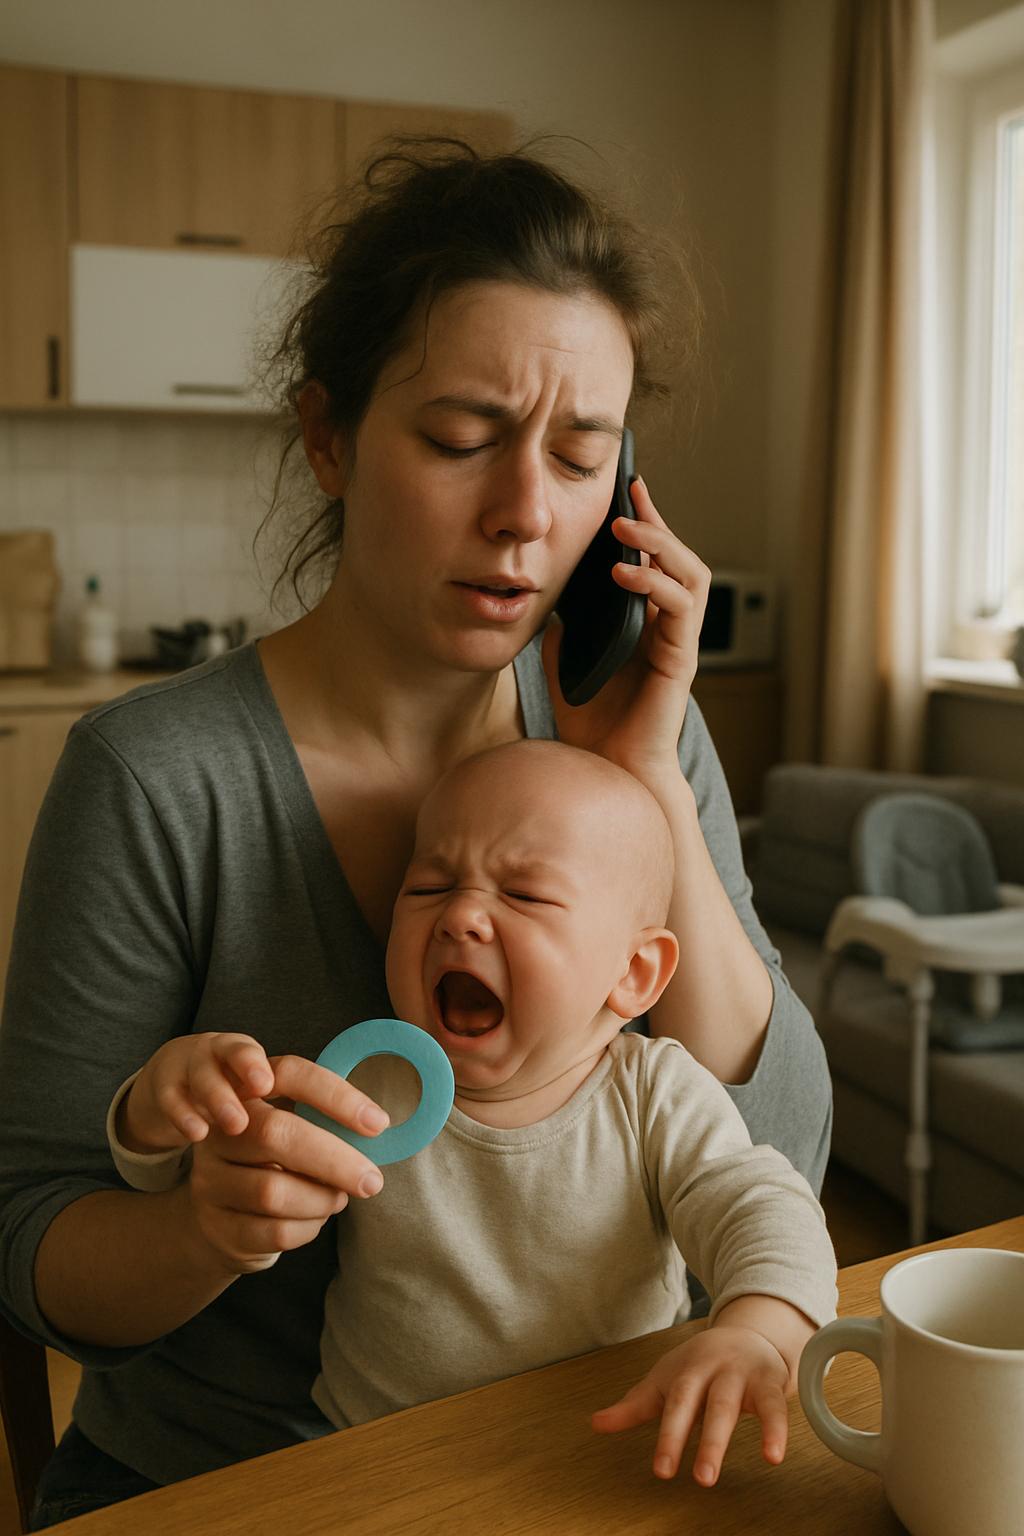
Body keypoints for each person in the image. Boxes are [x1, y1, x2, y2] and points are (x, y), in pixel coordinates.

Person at [0, 139, 831, 1527]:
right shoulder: (156, 779)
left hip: (581, 1454)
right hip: (240, 1482)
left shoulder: (628, 731)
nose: (525, 517)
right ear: (328, 438)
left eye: (580, 458)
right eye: (460, 440)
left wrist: (647, 775)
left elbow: (780, 1150)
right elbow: (30, 1241)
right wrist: (198, 1228)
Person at [108, 740, 837, 1487]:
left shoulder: (656, 1096)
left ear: (633, 972)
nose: (461, 916)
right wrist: (160, 1111)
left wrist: (760, 1330)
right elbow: (215, 1170)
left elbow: (762, 1204)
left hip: (603, 1455)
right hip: (376, 1460)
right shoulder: (362, 1083)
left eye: (524, 896)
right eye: (428, 887)